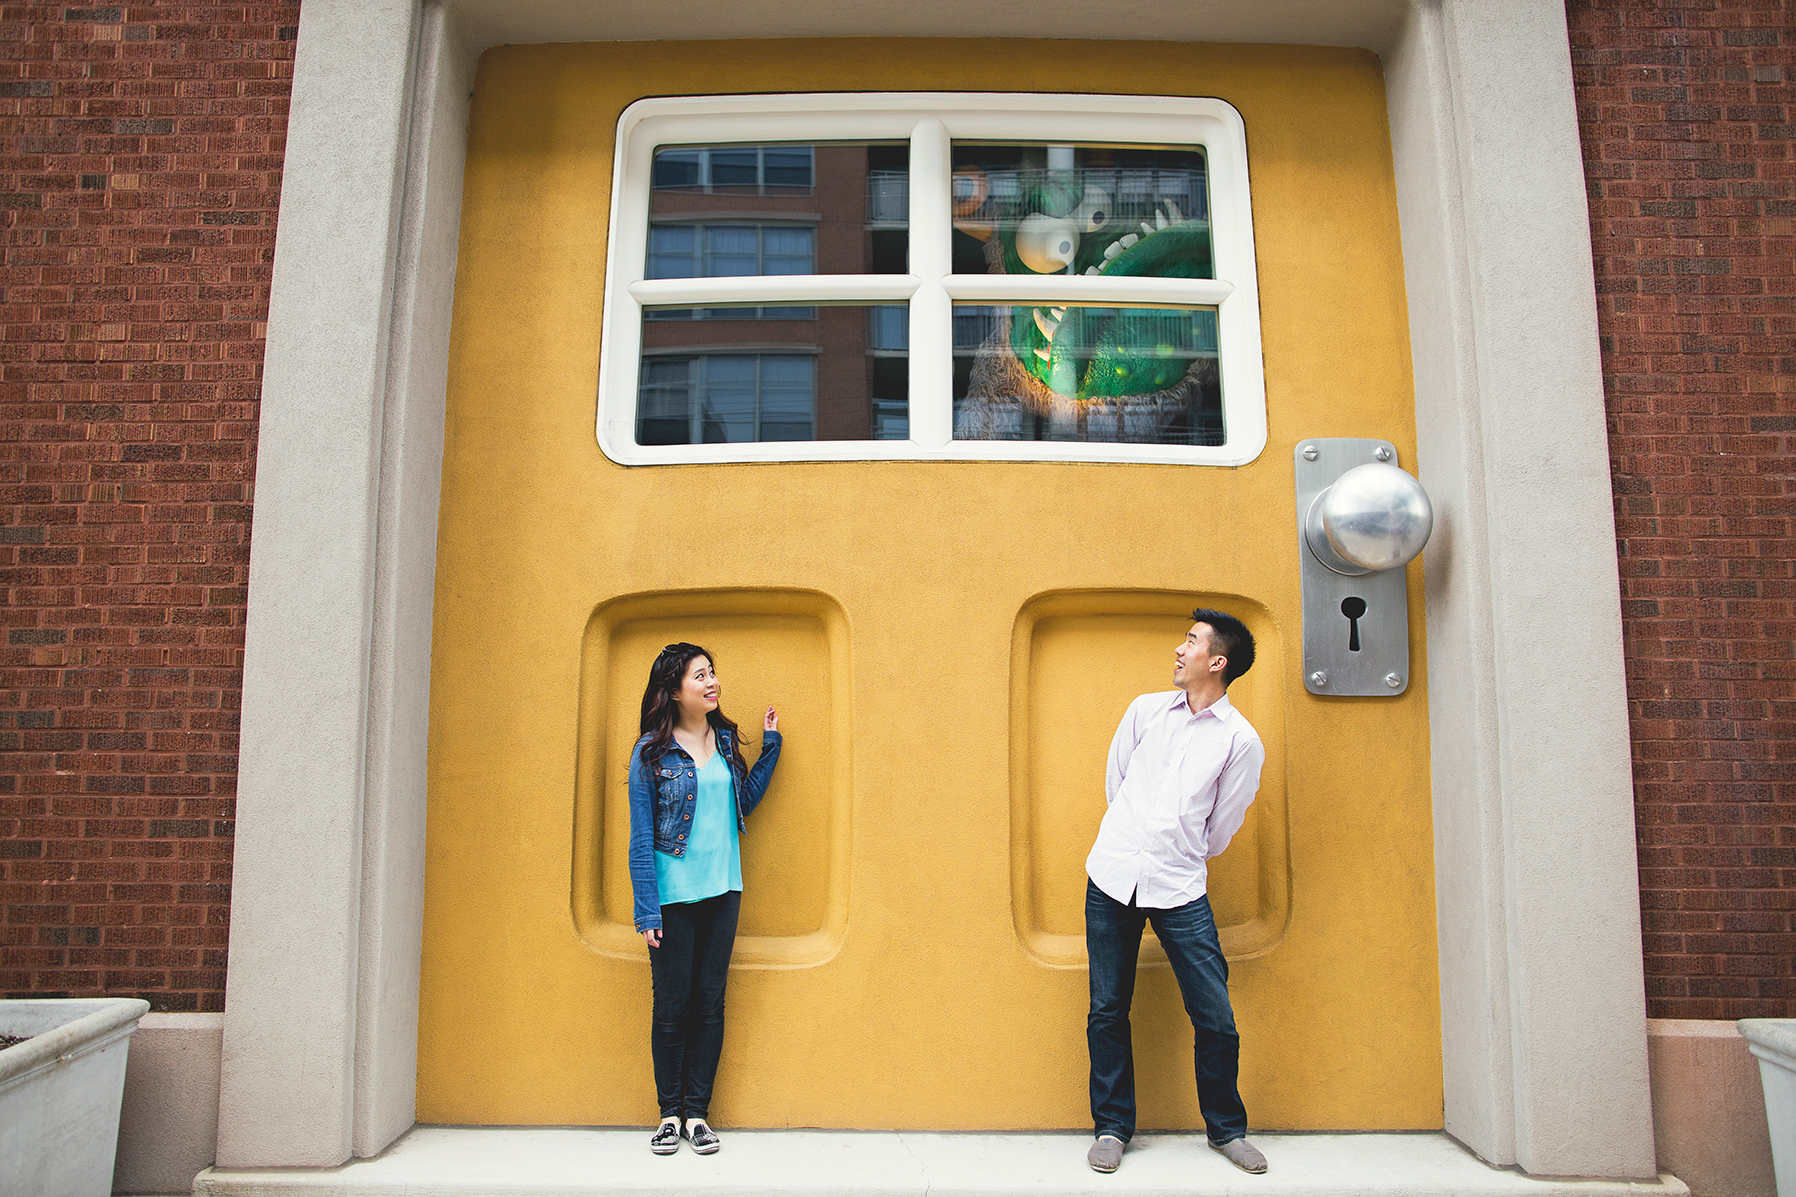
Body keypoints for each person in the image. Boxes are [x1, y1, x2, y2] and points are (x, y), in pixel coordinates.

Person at [1083, 608, 1268, 1176]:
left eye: (1190, 642)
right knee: (1108, 1008)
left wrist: (1175, 851)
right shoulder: (1144, 711)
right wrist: (1135, 840)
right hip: (1113, 875)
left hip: (1180, 885)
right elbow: (1118, 784)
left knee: (1214, 1015)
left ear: (1217, 662)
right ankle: (1113, 1127)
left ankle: (1226, 1130)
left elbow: (1222, 824)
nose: (1178, 650)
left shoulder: (1240, 740)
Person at [627, 642, 782, 1156]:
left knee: (710, 1004)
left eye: (713, 672)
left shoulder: (725, 742)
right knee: (672, 1005)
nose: (712, 681)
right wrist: (646, 908)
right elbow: (640, 837)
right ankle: (668, 1114)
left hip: (723, 891)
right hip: (671, 899)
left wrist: (772, 748)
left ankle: (698, 1114)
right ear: (673, 690)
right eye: (700, 675)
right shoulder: (651, 751)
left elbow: (745, 803)